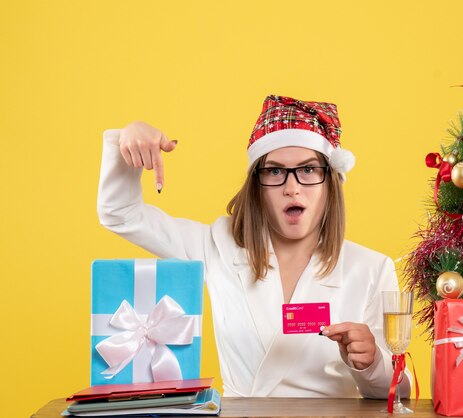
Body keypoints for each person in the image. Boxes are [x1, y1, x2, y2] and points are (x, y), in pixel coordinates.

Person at [97, 95, 411, 398]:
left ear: (330, 182)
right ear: (256, 187)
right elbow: (120, 213)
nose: (291, 188)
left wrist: (371, 363)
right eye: (275, 171)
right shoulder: (217, 246)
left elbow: (397, 393)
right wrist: (129, 138)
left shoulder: (371, 269)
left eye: (308, 170)